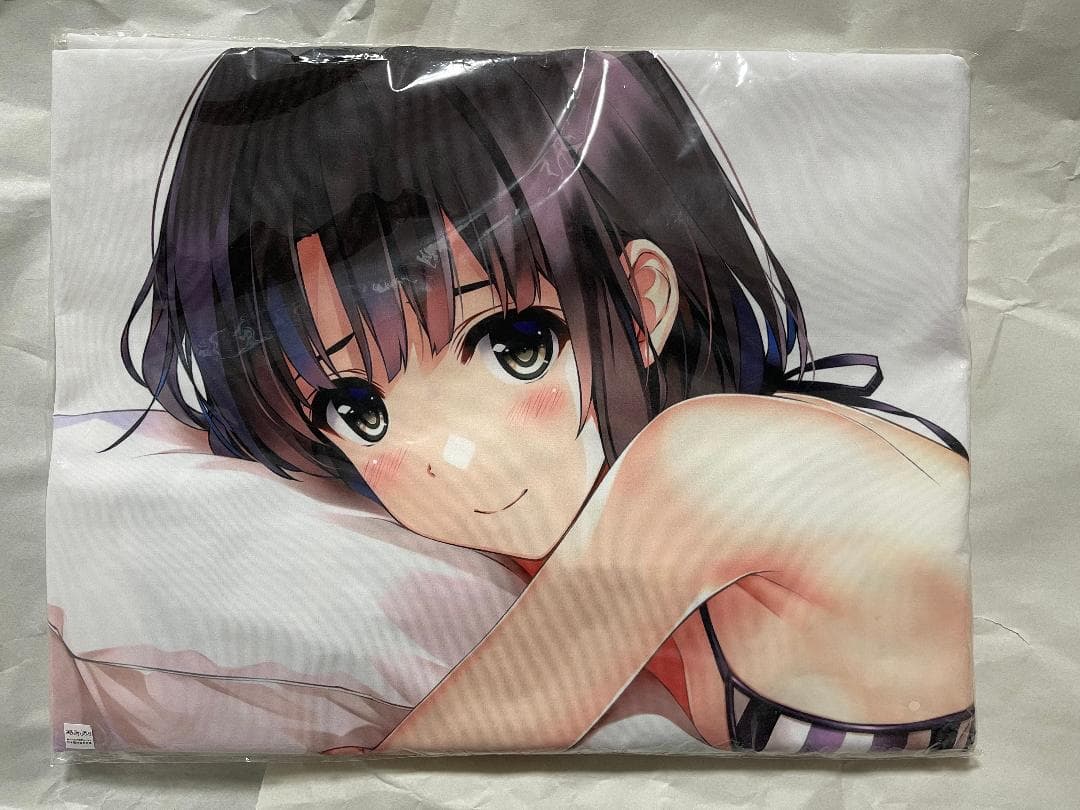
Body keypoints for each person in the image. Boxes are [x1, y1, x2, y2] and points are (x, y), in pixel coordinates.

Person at [120, 46, 975, 754]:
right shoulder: (574, 530)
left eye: (516, 345)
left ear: (643, 300)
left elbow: (437, 756)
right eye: (357, 408)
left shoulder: (707, 462)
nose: (455, 458)